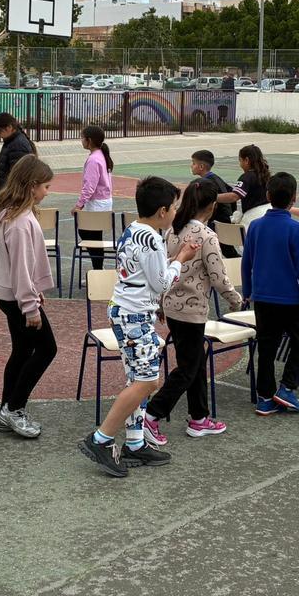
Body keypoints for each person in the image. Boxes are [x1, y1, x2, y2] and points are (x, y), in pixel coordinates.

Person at [78, 177, 198, 478]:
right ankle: (100, 439)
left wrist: (155, 297)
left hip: (127, 310)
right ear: (161, 211)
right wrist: (181, 258)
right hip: (133, 316)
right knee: (146, 382)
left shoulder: (134, 229)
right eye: (173, 208)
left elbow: (143, 277)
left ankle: (134, 442)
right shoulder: (153, 239)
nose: (175, 212)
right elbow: (160, 283)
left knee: (138, 379)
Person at [143, 180, 240, 444]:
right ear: (211, 206)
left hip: (173, 307)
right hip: (192, 310)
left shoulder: (174, 230)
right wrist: (235, 299)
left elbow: (164, 268)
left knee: (195, 363)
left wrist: (162, 301)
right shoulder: (206, 235)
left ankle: (199, 417)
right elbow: (218, 276)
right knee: (188, 367)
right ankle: (152, 414)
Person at [0, 156, 58, 439]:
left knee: (23, 350)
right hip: (16, 297)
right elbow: (22, 269)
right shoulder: (20, 222)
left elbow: (20, 267)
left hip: (11, 294)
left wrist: (33, 293)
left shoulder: (11, 214)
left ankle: (6, 410)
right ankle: (14, 409)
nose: (47, 192)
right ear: (32, 186)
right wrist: (30, 306)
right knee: (47, 349)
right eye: (46, 186)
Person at [242, 172, 299, 415]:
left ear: (267, 196)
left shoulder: (255, 226)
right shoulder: (296, 229)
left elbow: (247, 262)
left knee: (266, 345)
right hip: (288, 298)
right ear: (294, 199)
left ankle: (264, 397)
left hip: (262, 297)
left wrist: (248, 291)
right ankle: (286, 387)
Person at [72, 125, 114, 272]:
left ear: (89, 140)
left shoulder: (93, 160)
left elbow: (89, 186)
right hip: (104, 201)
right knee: (95, 238)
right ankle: (98, 269)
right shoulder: (101, 155)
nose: (81, 140)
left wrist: (79, 205)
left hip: (97, 203)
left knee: (89, 235)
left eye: (82, 137)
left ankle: (98, 271)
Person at [189, 149, 237, 258]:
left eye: (193, 163)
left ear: (201, 167)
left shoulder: (206, 183)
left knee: (223, 249)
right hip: (224, 218)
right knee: (226, 249)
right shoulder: (216, 178)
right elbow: (230, 191)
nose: (191, 165)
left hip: (217, 220)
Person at [216, 144, 270, 227]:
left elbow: (234, 196)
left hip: (254, 216)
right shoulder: (266, 174)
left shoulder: (247, 177)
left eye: (240, 160)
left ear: (246, 160)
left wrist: (212, 197)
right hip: (268, 212)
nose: (240, 164)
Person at [0, 112, 36, 191]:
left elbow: (19, 177)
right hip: (8, 194)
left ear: (9, 127)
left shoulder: (17, 145)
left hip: (12, 196)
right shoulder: (10, 142)